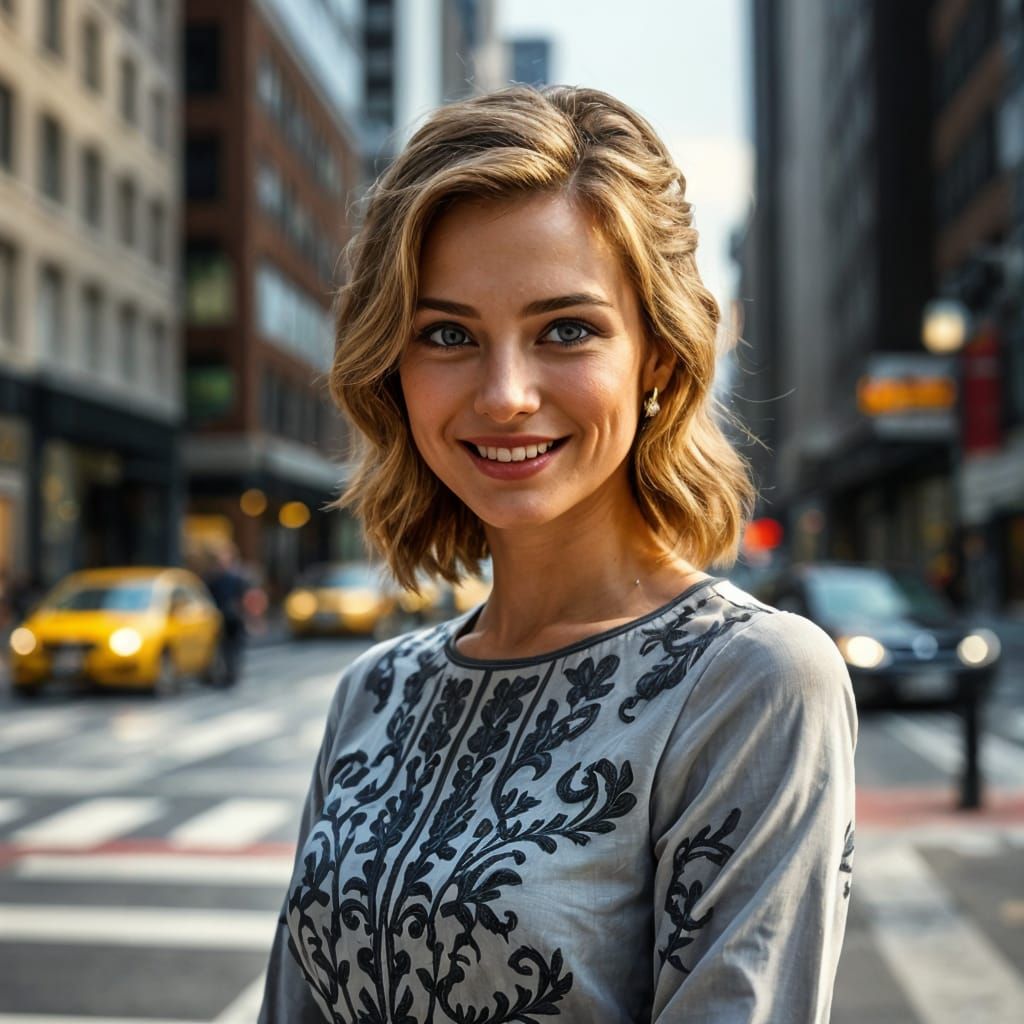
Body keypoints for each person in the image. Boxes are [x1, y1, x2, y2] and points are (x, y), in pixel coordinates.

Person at [259, 86, 857, 1022]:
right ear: (394, 368)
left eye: (566, 330)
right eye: (447, 334)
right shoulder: (374, 691)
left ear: (658, 355)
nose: (505, 394)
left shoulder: (754, 681)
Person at [203, 545, 249, 686]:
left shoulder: (237, 579)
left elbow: (244, 598)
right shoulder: (213, 579)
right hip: (218, 618)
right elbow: (208, 597)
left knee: (233, 647)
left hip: (234, 619)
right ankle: (222, 672)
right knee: (220, 647)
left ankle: (231, 672)